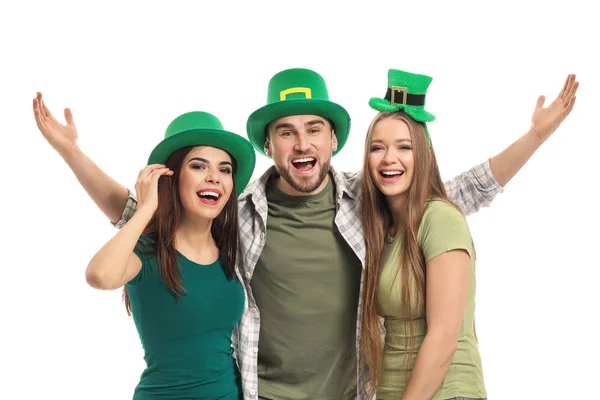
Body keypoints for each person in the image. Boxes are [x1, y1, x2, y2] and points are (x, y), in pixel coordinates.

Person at [33, 66, 577, 400]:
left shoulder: (367, 203)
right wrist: (73, 153)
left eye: (314, 129)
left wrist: (534, 138)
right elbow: (140, 214)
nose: (301, 143)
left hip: (355, 392)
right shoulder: (236, 213)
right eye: (286, 132)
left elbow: (458, 191)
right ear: (269, 145)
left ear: (333, 141)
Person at [359, 69, 577, 400]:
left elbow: (444, 337)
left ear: (424, 155)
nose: (390, 158)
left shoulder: (440, 217)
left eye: (404, 147)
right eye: (378, 148)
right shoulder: (383, 228)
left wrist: (535, 135)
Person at [34, 104, 257, 399]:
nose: (214, 177)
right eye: (199, 166)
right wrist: (148, 207)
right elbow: (99, 276)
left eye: (224, 169)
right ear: (170, 178)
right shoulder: (149, 250)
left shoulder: (231, 246)